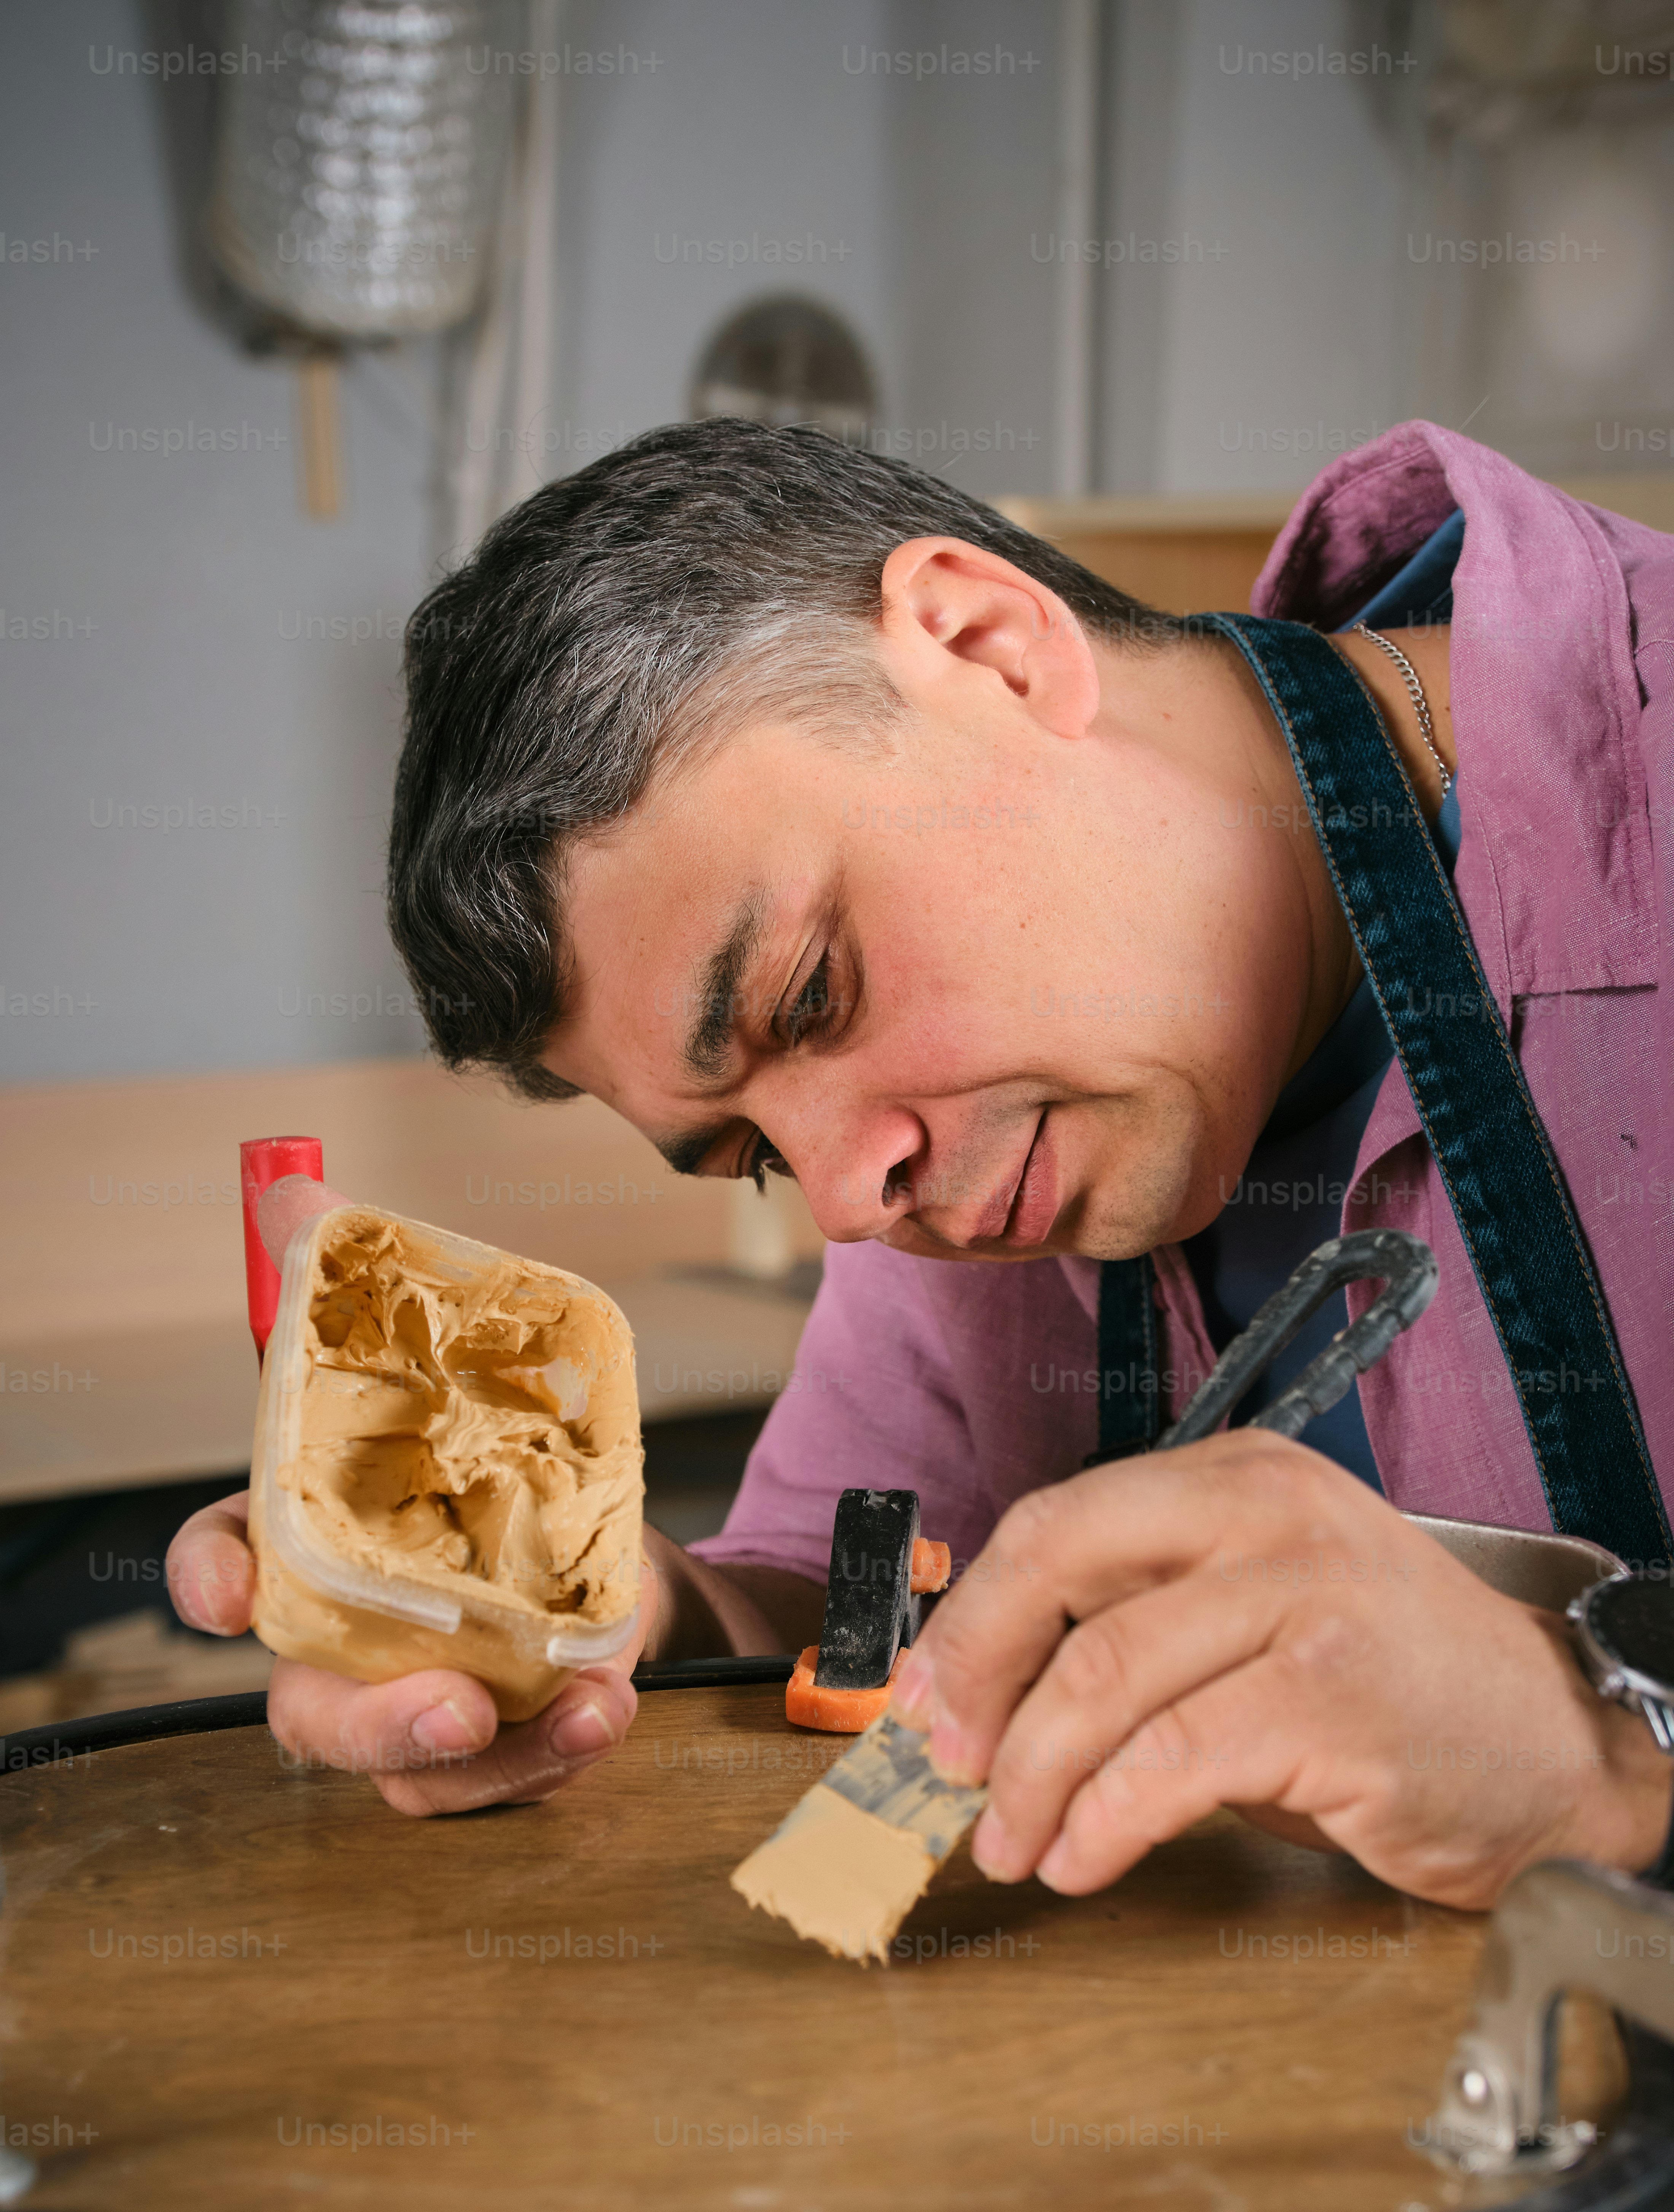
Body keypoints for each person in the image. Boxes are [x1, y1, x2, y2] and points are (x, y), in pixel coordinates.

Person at [168, 416, 1674, 1908]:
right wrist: (611, 1623)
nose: (845, 1198)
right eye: (753, 1152)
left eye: (810, 998)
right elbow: (828, 1610)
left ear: (986, 647)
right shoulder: (971, 1159)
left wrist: (1604, 1774)